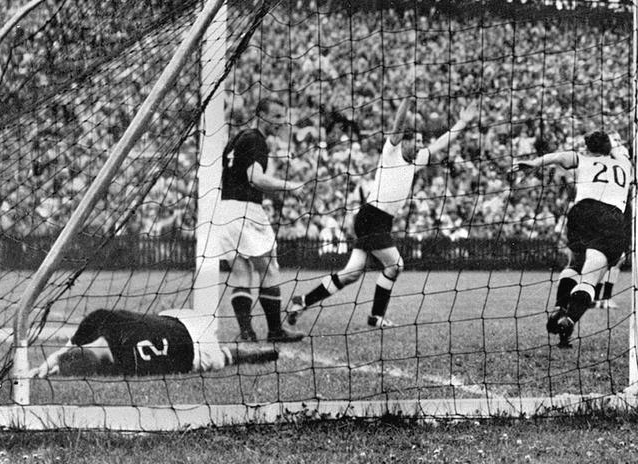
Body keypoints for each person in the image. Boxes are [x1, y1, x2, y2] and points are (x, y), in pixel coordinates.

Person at [286, 96, 478, 329]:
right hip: (371, 217)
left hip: (380, 221)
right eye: (416, 141)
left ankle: (302, 301)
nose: (420, 145)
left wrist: (463, 122)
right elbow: (397, 126)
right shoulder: (391, 152)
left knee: (351, 273)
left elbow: (441, 142)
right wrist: (407, 100)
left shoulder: (417, 159)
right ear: (404, 142)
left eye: (420, 141)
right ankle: (376, 317)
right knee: (395, 265)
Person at [514, 130, 632, 348]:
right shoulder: (625, 164)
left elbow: (561, 157)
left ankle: (560, 306)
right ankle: (569, 320)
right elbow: (620, 151)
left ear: (589, 149)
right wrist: (615, 146)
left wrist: (534, 163)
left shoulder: (584, 159)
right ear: (610, 149)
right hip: (612, 217)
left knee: (575, 264)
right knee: (590, 277)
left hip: (582, 211)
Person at [213, 98, 306, 343]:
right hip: (245, 211)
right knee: (269, 270)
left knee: (242, 272)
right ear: (261, 115)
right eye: (275, 116)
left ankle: (247, 332)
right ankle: (275, 331)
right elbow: (255, 178)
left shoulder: (238, 138)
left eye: (282, 116)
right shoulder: (256, 140)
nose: (280, 121)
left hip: (226, 210)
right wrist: (290, 187)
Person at [27, 308, 278, 378]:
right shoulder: (101, 318)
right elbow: (70, 347)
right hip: (185, 319)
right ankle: (244, 352)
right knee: (156, 319)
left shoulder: (125, 367)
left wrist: (57, 363)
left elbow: (71, 352)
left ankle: (237, 354)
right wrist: (54, 359)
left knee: (223, 358)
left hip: (198, 355)